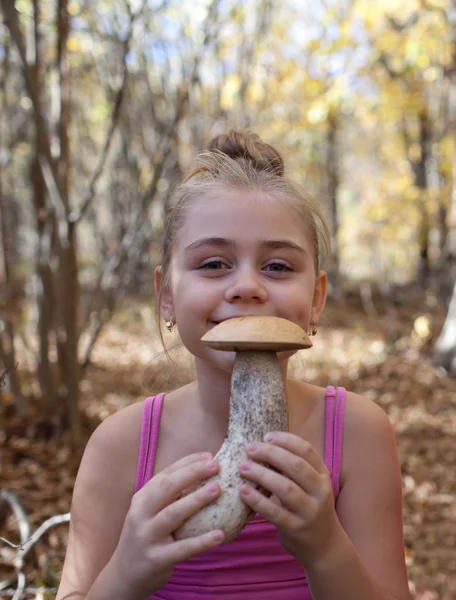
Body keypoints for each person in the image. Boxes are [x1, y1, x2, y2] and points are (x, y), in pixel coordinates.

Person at [56, 131, 411, 600]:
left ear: (316, 300)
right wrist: (126, 572)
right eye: (214, 263)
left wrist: (325, 549)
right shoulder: (118, 447)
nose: (247, 287)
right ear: (166, 295)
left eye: (278, 267)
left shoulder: (358, 435)